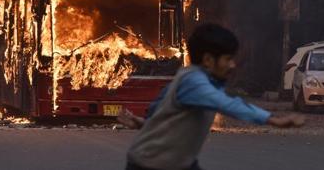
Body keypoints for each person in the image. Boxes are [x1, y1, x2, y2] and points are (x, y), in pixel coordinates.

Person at [119, 23, 305, 170]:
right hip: (150, 165)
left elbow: (160, 109)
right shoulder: (195, 82)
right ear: (208, 60)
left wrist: (144, 124)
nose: (232, 65)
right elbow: (227, 104)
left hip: (181, 163)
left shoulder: (194, 78)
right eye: (228, 59)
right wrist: (273, 120)